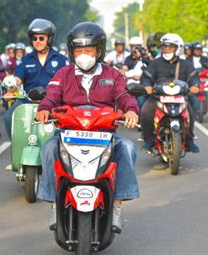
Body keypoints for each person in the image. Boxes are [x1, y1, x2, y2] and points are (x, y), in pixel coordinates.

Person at [36, 22, 139, 233]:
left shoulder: (113, 75)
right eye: (78, 50)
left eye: (89, 50)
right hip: (68, 133)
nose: (83, 54)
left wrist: (130, 111)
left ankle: (117, 205)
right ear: (72, 52)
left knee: (127, 148)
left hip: (104, 134)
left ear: (99, 51)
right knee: (47, 148)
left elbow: (125, 96)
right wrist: (44, 108)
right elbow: (51, 96)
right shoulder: (63, 74)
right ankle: (55, 202)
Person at [2, 19, 69, 138]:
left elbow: (68, 81)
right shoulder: (26, 59)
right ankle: (19, 145)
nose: (38, 41)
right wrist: (10, 91)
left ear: (49, 39)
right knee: (8, 117)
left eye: (41, 38)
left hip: (53, 102)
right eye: (35, 38)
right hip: (28, 101)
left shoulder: (61, 59)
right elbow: (17, 79)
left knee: (66, 126)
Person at [139, 33, 201, 153]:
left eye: (170, 47)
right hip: (158, 97)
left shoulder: (186, 64)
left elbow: (194, 77)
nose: (166, 49)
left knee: (191, 111)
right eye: (164, 47)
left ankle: (189, 140)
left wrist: (195, 86)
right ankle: (149, 140)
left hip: (180, 98)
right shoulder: (155, 63)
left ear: (178, 48)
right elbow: (146, 76)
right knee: (145, 112)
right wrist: (147, 86)